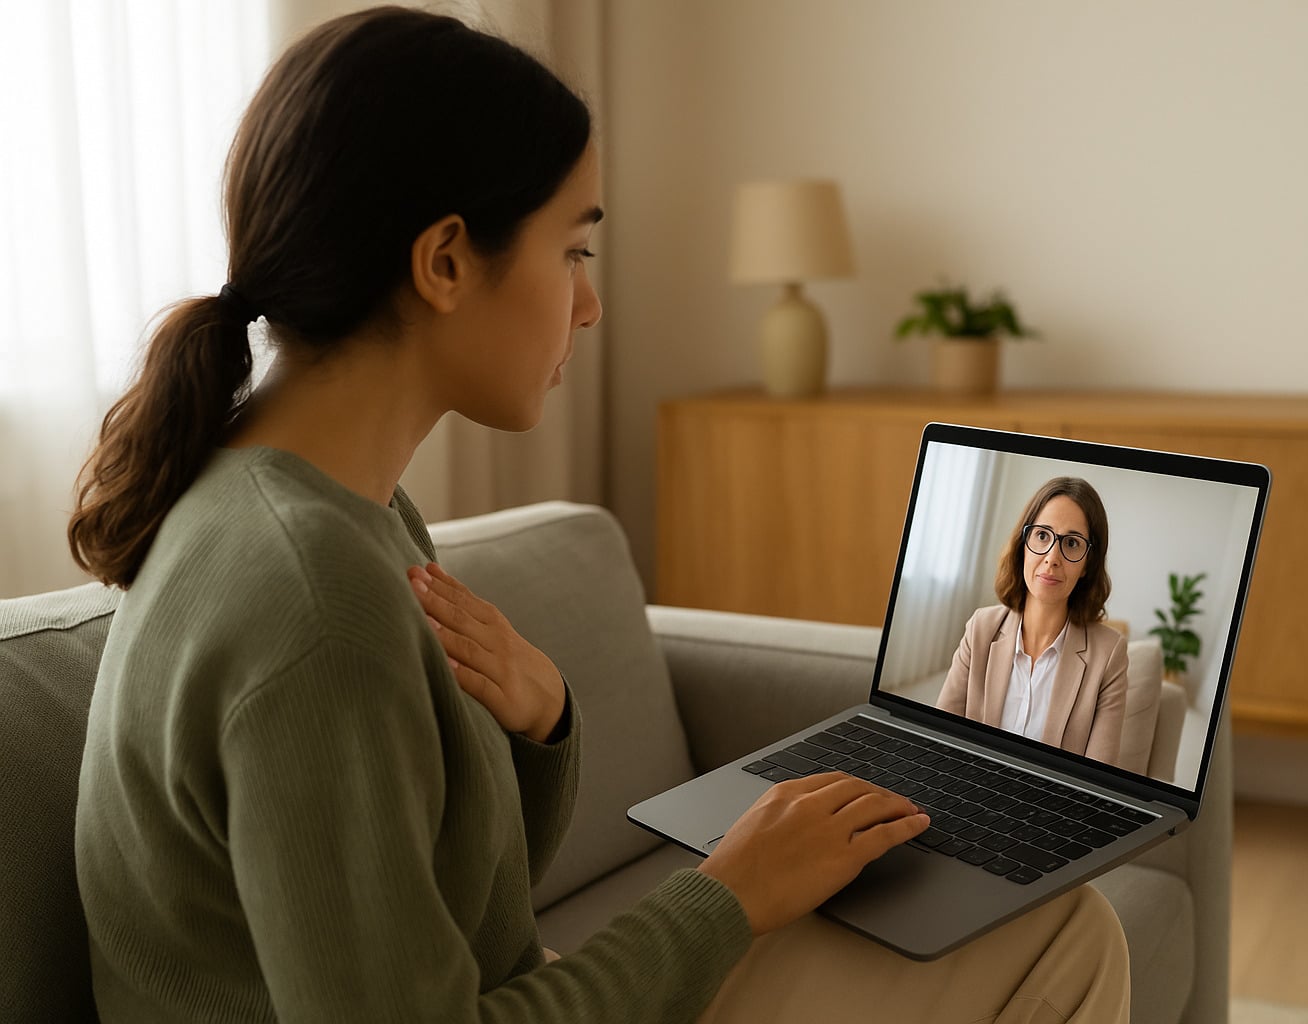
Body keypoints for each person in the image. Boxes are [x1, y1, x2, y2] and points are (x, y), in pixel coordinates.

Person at [68, 8, 1129, 1022]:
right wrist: (727, 893)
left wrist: (541, 724)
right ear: (443, 262)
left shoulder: (334, 512)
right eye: (573, 250)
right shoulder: (314, 600)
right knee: (1063, 939)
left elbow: (465, 921)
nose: (591, 302)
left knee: (1038, 918)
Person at [936, 477, 1129, 768]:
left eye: (1072, 543)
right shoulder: (981, 628)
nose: (1052, 558)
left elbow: (1098, 782)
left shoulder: (1109, 654)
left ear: (1088, 563)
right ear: (1023, 543)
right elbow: (938, 739)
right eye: (1042, 536)